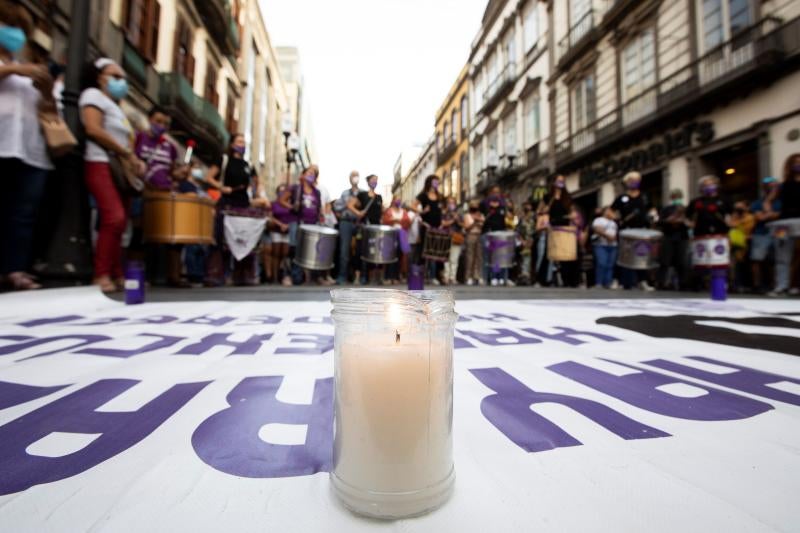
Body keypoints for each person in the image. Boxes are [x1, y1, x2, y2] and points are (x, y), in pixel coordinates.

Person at [0, 3, 54, 290]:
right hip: (2, 142)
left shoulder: (28, 71)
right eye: (8, 25)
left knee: (23, 212)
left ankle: (15, 269)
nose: (14, 33)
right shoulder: (17, 68)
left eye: (19, 29)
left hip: (29, 150)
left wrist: (46, 91)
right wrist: (15, 68)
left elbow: (49, 112)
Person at [79, 58, 144, 293]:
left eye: (123, 78)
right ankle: (101, 273)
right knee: (113, 217)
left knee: (121, 223)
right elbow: (93, 129)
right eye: (115, 76)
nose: (121, 81)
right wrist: (125, 152)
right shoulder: (93, 96)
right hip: (100, 161)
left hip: (119, 168)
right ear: (100, 77)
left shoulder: (117, 108)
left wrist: (132, 158)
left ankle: (117, 272)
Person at [134, 105, 191, 286]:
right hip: (142, 193)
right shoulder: (138, 138)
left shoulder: (170, 147)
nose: (161, 125)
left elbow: (171, 172)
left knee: (173, 235)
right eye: (158, 121)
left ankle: (172, 276)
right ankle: (137, 275)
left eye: (165, 123)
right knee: (140, 234)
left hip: (165, 196)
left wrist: (180, 174)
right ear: (149, 119)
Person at [202, 134, 258, 286]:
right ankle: (216, 274)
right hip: (227, 203)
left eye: (244, 142)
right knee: (222, 239)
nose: (242, 144)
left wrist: (257, 196)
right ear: (232, 144)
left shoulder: (249, 165)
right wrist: (222, 187)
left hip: (243, 206)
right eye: (239, 141)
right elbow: (208, 177)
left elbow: (256, 185)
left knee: (242, 238)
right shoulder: (224, 160)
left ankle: (241, 275)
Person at [279, 165, 325, 285]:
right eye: (309, 172)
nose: (311, 175)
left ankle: (306, 277)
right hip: (297, 222)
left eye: (314, 173)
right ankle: (287, 275)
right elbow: (282, 200)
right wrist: (292, 207)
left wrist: (321, 216)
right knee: (294, 248)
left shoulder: (317, 192)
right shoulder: (295, 188)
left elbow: (319, 208)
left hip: (312, 224)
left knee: (310, 251)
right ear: (303, 175)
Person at [612, 171, 654, 291]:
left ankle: (642, 281)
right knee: (622, 256)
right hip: (626, 231)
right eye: (632, 180)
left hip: (642, 231)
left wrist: (652, 215)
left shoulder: (645, 196)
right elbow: (611, 211)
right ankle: (616, 280)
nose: (635, 182)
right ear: (627, 182)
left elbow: (652, 209)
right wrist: (617, 218)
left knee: (642, 256)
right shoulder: (622, 198)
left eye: (637, 180)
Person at [542, 175, 579, 287]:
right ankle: (545, 279)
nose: (560, 183)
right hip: (553, 227)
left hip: (565, 228)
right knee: (549, 254)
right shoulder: (548, 197)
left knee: (566, 255)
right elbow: (543, 210)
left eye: (562, 181)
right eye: (558, 181)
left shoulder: (567, 197)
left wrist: (571, 216)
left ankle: (569, 281)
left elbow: (573, 213)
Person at [347, 174, 383, 284]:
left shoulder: (379, 197)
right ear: (367, 181)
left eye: (376, 180)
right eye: (373, 180)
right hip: (363, 227)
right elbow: (349, 205)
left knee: (373, 252)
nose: (375, 182)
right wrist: (358, 213)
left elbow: (380, 212)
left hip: (375, 228)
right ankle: (357, 277)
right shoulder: (362, 194)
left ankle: (370, 277)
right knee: (359, 251)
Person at [774, 154, 800, 296]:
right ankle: (781, 286)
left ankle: (795, 285)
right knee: (782, 255)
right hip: (783, 223)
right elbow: (768, 201)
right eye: (795, 162)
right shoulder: (783, 185)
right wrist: (770, 211)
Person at [750, 176, 781, 293]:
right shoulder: (757, 203)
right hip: (760, 233)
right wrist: (769, 206)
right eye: (769, 186)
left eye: (774, 186)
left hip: (779, 233)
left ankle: (774, 285)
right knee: (757, 259)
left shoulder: (781, 202)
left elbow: (779, 215)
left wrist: (766, 214)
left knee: (776, 260)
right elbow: (759, 218)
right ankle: (757, 285)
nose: (772, 188)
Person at [411, 175, 443, 284]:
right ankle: (422, 275)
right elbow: (413, 206)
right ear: (430, 182)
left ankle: (436, 276)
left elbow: (442, 210)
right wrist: (422, 211)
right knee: (424, 252)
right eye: (435, 181)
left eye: (438, 182)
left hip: (438, 228)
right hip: (426, 227)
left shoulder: (439, 196)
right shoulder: (423, 195)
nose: (437, 183)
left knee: (437, 253)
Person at [658, 189, 689, 290]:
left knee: (681, 262)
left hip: (682, 237)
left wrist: (684, 221)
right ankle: (662, 282)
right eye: (675, 196)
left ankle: (683, 283)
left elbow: (690, 222)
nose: (676, 198)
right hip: (668, 236)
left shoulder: (686, 209)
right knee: (665, 261)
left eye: (678, 196)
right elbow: (660, 222)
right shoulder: (666, 209)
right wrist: (669, 220)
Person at [334, 171, 361, 284]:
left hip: (359, 223)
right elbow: (337, 207)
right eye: (352, 176)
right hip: (346, 222)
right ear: (349, 178)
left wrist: (357, 203)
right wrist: (348, 204)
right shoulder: (344, 193)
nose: (354, 178)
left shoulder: (363, 193)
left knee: (359, 250)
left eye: (356, 176)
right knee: (344, 250)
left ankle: (359, 277)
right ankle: (342, 276)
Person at [481, 185, 509, 286]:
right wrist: (490, 208)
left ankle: (500, 277)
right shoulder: (485, 204)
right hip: (488, 233)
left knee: (500, 257)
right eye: (494, 192)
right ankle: (488, 278)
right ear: (490, 193)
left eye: (497, 192)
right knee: (489, 257)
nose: (496, 194)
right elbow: (482, 216)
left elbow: (507, 218)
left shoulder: (502, 205)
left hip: (501, 233)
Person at [382, 195, 412, 283]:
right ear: (393, 200)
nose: (398, 201)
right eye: (397, 200)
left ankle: (396, 277)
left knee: (399, 256)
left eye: (400, 200)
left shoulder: (403, 211)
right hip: (390, 235)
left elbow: (408, 222)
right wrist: (395, 220)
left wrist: (396, 220)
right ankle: (388, 277)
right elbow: (385, 221)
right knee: (390, 255)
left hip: (401, 235)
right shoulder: (389, 211)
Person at [728, 201, 755, 292]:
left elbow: (738, 226)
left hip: (747, 244)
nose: (738, 210)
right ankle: (735, 285)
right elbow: (731, 225)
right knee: (734, 266)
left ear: (746, 208)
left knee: (746, 265)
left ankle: (747, 285)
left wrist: (737, 220)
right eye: (736, 208)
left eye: (740, 208)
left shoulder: (750, 217)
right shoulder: (734, 217)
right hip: (734, 244)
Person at [269, 184, 292, 285]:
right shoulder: (274, 204)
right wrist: (280, 224)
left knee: (285, 254)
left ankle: (282, 274)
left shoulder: (290, 205)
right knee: (276, 254)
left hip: (287, 231)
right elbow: (270, 216)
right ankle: (274, 277)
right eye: (280, 191)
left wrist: (287, 225)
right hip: (276, 231)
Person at [592, 206, 618, 289]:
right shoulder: (598, 220)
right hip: (601, 245)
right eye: (611, 211)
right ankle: (599, 282)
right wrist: (608, 237)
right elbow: (597, 229)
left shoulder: (614, 223)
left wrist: (613, 238)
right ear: (606, 211)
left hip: (613, 246)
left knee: (610, 265)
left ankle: (608, 282)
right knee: (601, 263)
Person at [441, 196, 463, 285]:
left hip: (456, 237)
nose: (451, 204)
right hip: (446, 237)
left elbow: (462, 224)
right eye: (449, 202)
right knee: (446, 259)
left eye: (452, 202)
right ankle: (446, 277)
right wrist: (452, 220)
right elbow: (443, 223)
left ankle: (452, 277)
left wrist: (456, 218)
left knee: (454, 259)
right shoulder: (444, 213)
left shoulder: (459, 213)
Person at [462, 200, 485, 286]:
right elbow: (467, 227)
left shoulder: (480, 215)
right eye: (473, 205)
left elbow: (483, 224)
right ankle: (468, 277)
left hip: (479, 235)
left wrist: (477, 221)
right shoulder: (467, 215)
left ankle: (477, 276)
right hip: (470, 236)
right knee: (470, 257)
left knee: (478, 257)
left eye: (476, 205)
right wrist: (475, 222)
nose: (474, 206)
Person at [516, 201, 536, 285]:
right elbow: (518, 230)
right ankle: (524, 277)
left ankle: (531, 278)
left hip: (532, 240)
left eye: (528, 205)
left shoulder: (534, 216)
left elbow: (536, 229)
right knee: (524, 259)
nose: (527, 207)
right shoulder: (521, 218)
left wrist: (532, 240)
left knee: (531, 260)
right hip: (523, 241)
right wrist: (522, 240)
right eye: (525, 205)